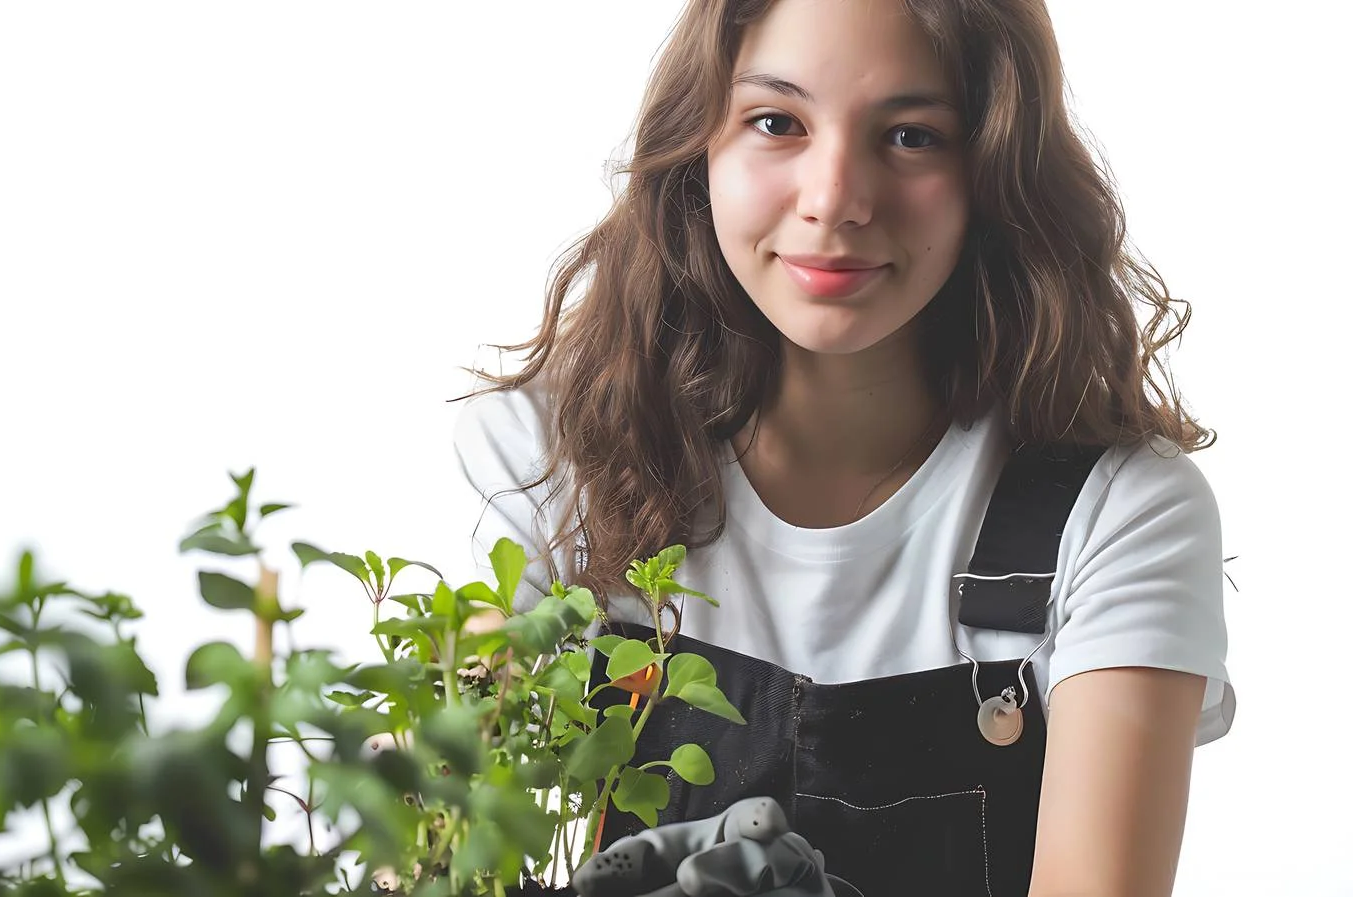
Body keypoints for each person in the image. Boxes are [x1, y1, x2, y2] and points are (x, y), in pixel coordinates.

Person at [451, 0, 1235, 894]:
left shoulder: (1118, 517)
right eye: (775, 121)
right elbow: (440, 820)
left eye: (911, 136)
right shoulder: (556, 456)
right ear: (696, 144)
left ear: (995, 169)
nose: (834, 200)